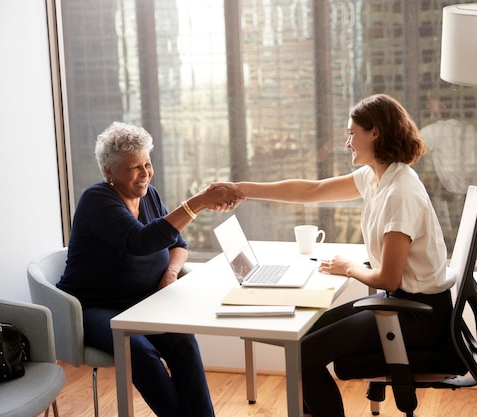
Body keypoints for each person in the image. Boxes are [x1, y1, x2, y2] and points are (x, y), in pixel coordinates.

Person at [210, 93, 454, 417]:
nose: (348, 142)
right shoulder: (376, 176)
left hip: (417, 314)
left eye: (352, 133)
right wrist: (242, 189)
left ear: (374, 133)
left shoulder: (401, 192)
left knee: (301, 353)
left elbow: (388, 277)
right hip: (398, 302)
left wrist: (349, 268)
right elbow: (313, 190)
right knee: (301, 334)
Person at [57, 122, 243, 417]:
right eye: (134, 168)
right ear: (109, 171)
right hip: (95, 307)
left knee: (183, 340)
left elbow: (177, 243)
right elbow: (140, 242)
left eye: (147, 164)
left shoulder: (150, 195)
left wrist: (170, 274)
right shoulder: (97, 200)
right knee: (140, 352)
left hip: (145, 302)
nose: (145, 174)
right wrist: (200, 202)